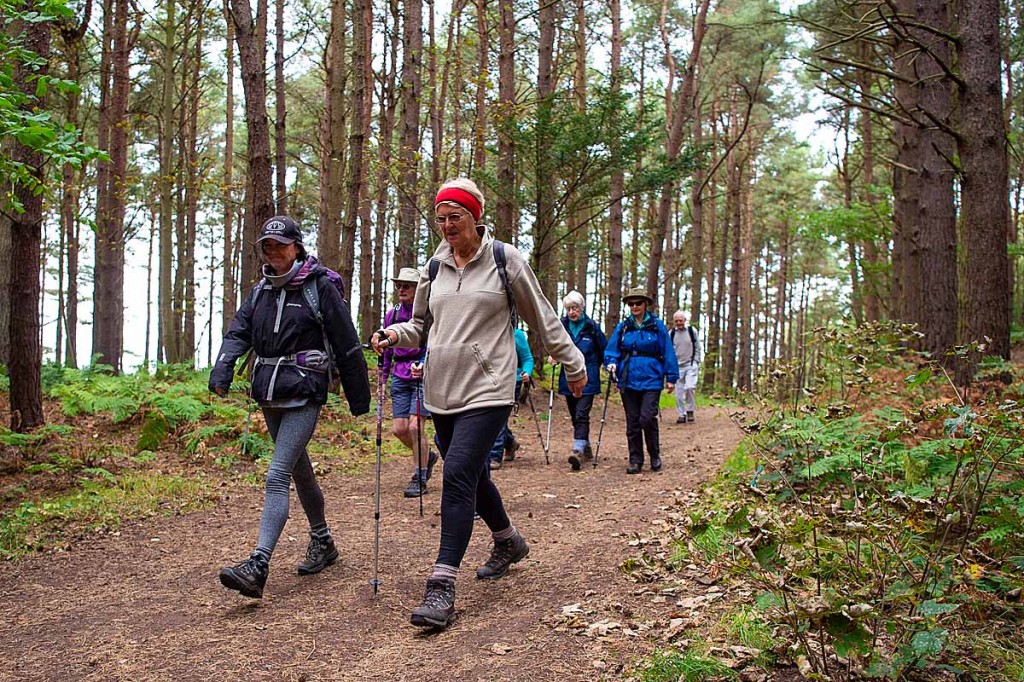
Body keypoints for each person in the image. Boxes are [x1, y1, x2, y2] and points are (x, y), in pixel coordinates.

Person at [371, 178, 585, 630]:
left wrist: (573, 363)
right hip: (442, 389)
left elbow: (542, 317)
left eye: (456, 217)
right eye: (442, 218)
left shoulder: (506, 261)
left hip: (489, 388)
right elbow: (421, 326)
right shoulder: (434, 267)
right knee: (472, 472)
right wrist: (394, 335)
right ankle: (508, 540)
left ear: (475, 217)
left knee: (457, 473)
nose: (448, 225)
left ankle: (442, 584)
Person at [209, 216, 371, 599]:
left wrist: (358, 397)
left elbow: (346, 340)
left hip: (305, 389)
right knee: (299, 469)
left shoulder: (320, 288)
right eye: (268, 245)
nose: (274, 252)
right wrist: (223, 369)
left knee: (277, 472)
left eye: (281, 245)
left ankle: (258, 562)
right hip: (268, 390)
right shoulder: (260, 291)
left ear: (297, 247)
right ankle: (323, 541)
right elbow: (239, 332)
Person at [604, 287, 678, 475]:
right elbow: (612, 349)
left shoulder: (656, 325)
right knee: (633, 421)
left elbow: (668, 351)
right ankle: (635, 459)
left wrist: (671, 377)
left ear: (645, 304)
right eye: (631, 304)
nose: (634, 306)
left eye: (638, 303)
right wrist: (611, 363)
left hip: (652, 377)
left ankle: (654, 454)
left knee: (647, 417)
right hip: (628, 378)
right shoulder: (624, 326)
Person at [382, 267, 439, 496]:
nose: (401, 289)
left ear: (419, 289)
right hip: (399, 374)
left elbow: (433, 343)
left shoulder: (428, 314)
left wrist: (424, 362)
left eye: (407, 285)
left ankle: (419, 476)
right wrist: (383, 376)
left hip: (422, 373)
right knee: (399, 429)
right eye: (399, 285)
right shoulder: (393, 314)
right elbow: (386, 348)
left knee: (416, 427)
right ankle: (428, 456)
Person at [556, 291, 607, 471]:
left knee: (581, 414)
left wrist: (597, 367)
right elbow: (556, 345)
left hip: (589, 377)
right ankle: (585, 445)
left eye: (574, 308)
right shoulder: (561, 325)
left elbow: (603, 351)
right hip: (568, 376)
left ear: (581, 308)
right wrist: (554, 357)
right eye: (568, 309)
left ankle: (577, 450)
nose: (571, 312)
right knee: (574, 413)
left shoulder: (592, 327)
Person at [487, 327, 533, 469]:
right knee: (493, 417)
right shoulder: (486, 331)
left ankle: (495, 456)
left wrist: (527, 372)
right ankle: (510, 442)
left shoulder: (516, 334)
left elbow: (527, 358)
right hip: (489, 380)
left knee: (498, 415)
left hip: (512, 380)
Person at [671, 309, 703, 424]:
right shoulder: (672, 333)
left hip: (690, 364)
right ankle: (681, 414)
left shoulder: (691, 331)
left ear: (685, 320)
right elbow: (669, 350)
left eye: (681, 320)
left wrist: (696, 361)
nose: (679, 323)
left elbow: (698, 347)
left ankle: (690, 410)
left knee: (689, 387)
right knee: (678, 392)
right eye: (676, 321)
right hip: (677, 367)